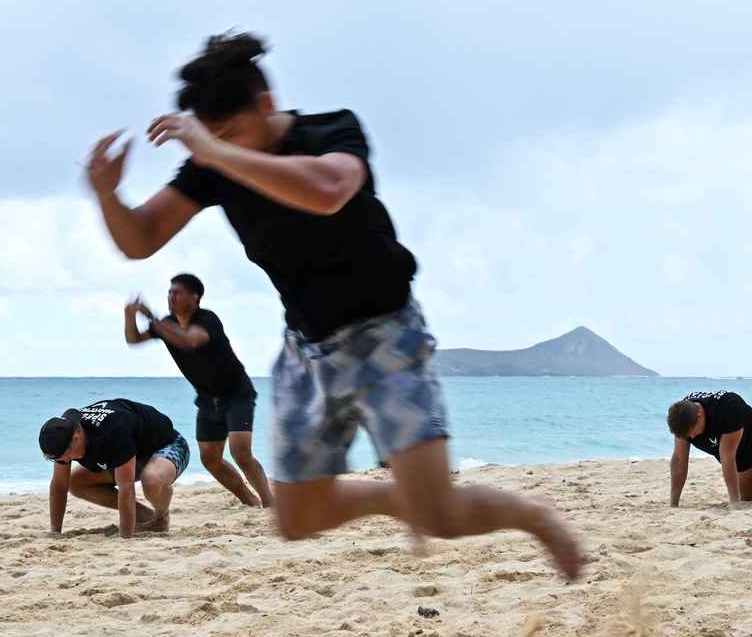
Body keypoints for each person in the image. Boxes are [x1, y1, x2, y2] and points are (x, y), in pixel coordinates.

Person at [83, 31, 583, 580]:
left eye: (230, 133)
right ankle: (401, 498)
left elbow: (327, 192)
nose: (221, 149)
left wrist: (215, 150)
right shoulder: (214, 165)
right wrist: (108, 194)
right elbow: (140, 238)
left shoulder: (330, 129)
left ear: (266, 105)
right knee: (297, 519)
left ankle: (535, 515)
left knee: (441, 514)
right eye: (213, 137)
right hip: (307, 348)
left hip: (387, 335)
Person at [125, 273, 274, 507]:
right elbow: (133, 339)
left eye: (177, 292)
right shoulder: (167, 323)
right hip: (206, 399)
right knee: (211, 459)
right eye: (169, 292)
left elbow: (189, 340)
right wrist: (129, 315)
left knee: (241, 453)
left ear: (194, 297)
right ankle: (250, 501)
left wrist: (153, 318)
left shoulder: (207, 319)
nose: (171, 296)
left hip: (236, 394)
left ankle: (270, 503)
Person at [39, 398, 190, 538]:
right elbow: (60, 484)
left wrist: (125, 538)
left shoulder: (113, 432)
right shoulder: (64, 435)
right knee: (75, 482)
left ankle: (162, 517)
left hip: (167, 444)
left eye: (64, 456)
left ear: (76, 439)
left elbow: (127, 487)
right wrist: (55, 533)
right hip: (130, 453)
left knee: (151, 481)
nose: (64, 461)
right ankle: (144, 515)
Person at [668, 391, 752, 509]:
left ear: (699, 417)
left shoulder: (729, 408)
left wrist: (734, 503)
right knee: (748, 499)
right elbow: (679, 460)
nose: (692, 438)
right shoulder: (681, 417)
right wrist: (674, 504)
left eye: (691, 433)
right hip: (742, 456)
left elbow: (727, 456)